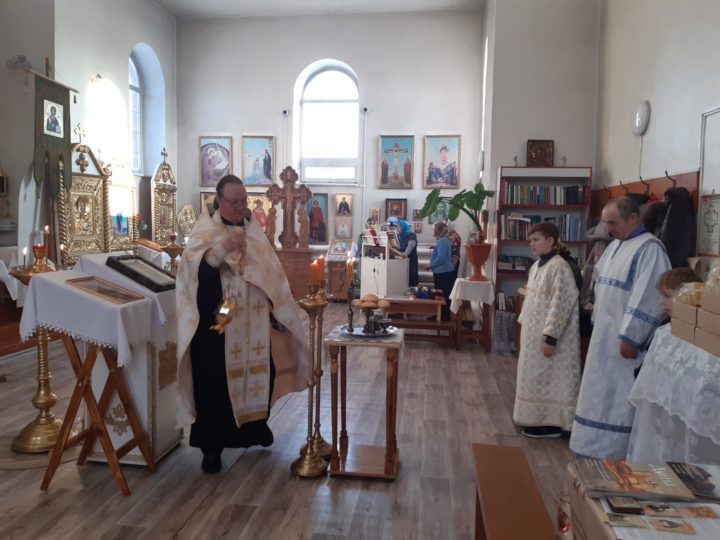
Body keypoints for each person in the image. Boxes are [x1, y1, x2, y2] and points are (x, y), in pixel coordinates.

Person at [176, 175, 308, 474]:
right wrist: (220, 250)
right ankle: (212, 447)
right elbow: (192, 276)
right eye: (234, 202)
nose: (241, 207)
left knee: (260, 373)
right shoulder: (204, 231)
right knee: (214, 383)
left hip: (255, 321)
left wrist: (276, 308)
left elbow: (270, 273)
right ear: (219, 200)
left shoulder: (253, 231)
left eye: (244, 201)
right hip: (218, 325)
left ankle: (254, 430)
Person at [569, 197, 671, 459]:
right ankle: (590, 447)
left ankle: (615, 453)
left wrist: (631, 337)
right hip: (603, 336)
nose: (608, 229)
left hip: (625, 345)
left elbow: (649, 296)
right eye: (606, 223)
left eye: (613, 223)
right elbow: (599, 286)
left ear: (633, 218)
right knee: (598, 393)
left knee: (618, 399)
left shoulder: (650, 249)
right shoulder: (614, 246)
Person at [513, 222, 582, 438]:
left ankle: (552, 423)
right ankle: (534, 418)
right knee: (534, 378)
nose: (531, 244)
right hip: (533, 335)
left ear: (550, 241)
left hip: (551, 339)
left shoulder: (560, 267)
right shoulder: (537, 266)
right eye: (530, 240)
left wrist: (551, 337)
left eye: (536, 239)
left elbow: (560, 304)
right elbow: (531, 299)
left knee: (550, 380)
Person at [427, 221, 455, 320]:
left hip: (443, 273)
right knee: (443, 294)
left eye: (433, 229)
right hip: (443, 273)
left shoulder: (442, 241)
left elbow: (441, 259)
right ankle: (442, 315)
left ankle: (442, 316)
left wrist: (430, 265)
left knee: (442, 295)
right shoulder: (444, 240)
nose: (432, 231)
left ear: (437, 230)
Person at [388, 216, 418, 287]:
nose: (397, 229)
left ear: (404, 227)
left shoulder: (412, 235)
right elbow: (397, 248)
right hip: (401, 263)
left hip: (410, 263)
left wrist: (405, 254)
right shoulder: (399, 237)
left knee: (410, 283)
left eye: (399, 227)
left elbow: (410, 246)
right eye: (396, 227)